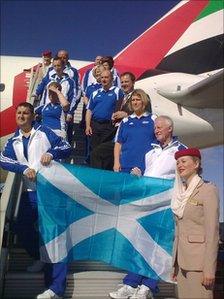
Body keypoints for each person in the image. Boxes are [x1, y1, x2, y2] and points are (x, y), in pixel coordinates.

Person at [109, 115, 186, 299]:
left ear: (170, 129)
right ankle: (131, 283)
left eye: (160, 127)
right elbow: (149, 178)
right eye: (155, 128)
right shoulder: (149, 153)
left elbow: (186, 177)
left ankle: (148, 287)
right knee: (139, 243)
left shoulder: (181, 150)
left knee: (157, 246)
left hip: (165, 207)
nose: (156, 130)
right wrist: (140, 176)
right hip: (147, 206)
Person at [0, 102, 71, 299]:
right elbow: (3, 159)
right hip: (29, 192)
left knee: (54, 237)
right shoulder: (13, 140)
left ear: (33, 116)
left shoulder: (44, 132)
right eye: (19, 113)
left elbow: (66, 146)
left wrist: (51, 153)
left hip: (50, 192)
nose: (21, 116)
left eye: (26, 113)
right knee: (20, 226)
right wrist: (22, 169)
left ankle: (56, 288)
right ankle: (39, 255)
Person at [171, 148, 219, 299]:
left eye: (184, 161)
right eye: (177, 162)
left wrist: (209, 269)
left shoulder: (208, 190)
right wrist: (174, 264)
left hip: (199, 264)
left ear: (196, 163)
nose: (180, 165)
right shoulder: (179, 193)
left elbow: (212, 233)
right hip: (181, 262)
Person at [90, 71, 136, 170]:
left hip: (128, 137)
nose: (124, 84)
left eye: (126, 82)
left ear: (133, 82)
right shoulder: (122, 98)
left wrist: (126, 114)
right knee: (102, 157)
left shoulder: (137, 96)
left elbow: (145, 113)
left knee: (97, 153)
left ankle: (95, 179)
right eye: (122, 82)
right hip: (114, 133)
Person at [113, 89, 155, 174]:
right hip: (125, 165)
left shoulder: (153, 119)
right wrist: (116, 162)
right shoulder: (125, 121)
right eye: (133, 100)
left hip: (146, 166)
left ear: (143, 101)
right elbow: (118, 143)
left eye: (138, 100)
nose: (135, 102)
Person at [85, 70, 124, 151]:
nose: (104, 79)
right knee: (93, 150)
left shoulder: (117, 91)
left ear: (112, 79)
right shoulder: (95, 93)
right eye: (102, 77)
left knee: (104, 150)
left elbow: (120, 106)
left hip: (108, 126)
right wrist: (88, 126)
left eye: (106, 77)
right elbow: (89, 111)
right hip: (95, 125)